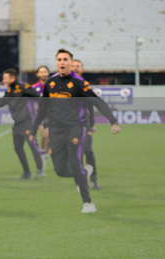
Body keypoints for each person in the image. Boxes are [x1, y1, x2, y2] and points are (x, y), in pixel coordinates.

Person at [32, 49, 120, 213]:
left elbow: (97, 102)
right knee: (59, 170)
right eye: (59, 59)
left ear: (71, 63)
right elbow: (43, 107)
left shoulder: (79, 83)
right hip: (56, 130)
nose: (62, 62)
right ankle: (84, 172)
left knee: (74, 160)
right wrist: (33, 128)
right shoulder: (50, 83)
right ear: (56, 62)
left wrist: (113, 121)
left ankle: (88, 203)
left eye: (66, 59)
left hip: (76, 128)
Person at [0, 69, 45, 179]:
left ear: (12, 78)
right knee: (18, 148)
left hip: (28, 121)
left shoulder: (23, 87)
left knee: (32, 145)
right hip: (17, 124)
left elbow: (38, 97)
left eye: (5, 78)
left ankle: (40, 170)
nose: (3, 80)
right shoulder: (9, 91)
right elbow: (0, 103)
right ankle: (27, 172)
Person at [72, 59, 101, 190]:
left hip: (85, 124)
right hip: (69, 125)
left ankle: (93, 179)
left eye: (78, 66)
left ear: (82, 70)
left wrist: (92, 123)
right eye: (73, 66)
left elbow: (90, 105)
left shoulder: (85, 85)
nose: (75, 68)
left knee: (88, 151)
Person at [32, 65, 50, 166]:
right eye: (41, 72)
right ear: (38, 74)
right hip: (40, 115)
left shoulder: (53, 86)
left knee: (49, 138)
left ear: (48, 73)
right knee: (44, 135)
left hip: (52, 114)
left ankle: (45, 155)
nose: (43, 74)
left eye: (45, 72)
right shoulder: (34, 88)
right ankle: (42, 153)